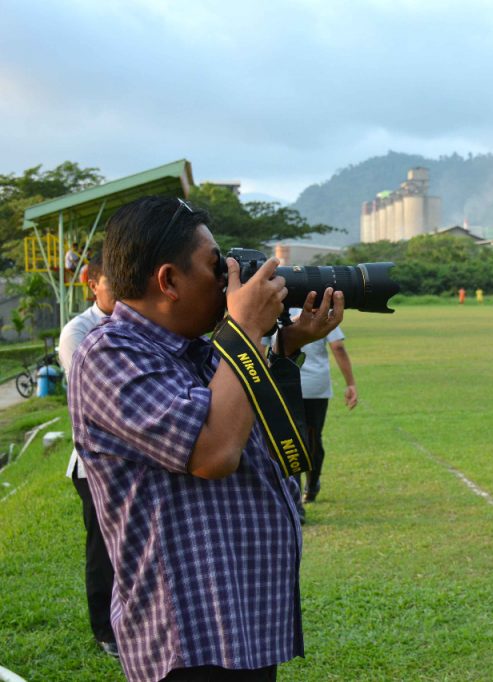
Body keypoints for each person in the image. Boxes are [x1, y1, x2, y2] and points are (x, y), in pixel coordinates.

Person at [68, 196, 343, 682]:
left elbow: (234, 406)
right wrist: (244, 326)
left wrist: (284, 344)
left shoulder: (199, 345)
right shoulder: (108, 354)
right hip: (188, 639)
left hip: (243, 619)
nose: (227, 282)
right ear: (168, 280)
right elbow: (213, 452)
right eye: (216, 268)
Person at [57, 250, 118, 659]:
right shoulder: (77, 331)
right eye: (114, 280)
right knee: (102, 547)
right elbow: (99, 391)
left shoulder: (143, 323)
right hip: (94, 462)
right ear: (92, 284)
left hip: (133, 460)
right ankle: (104, 631)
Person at [285, 308, 358, 505]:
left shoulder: (276, 309)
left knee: (289, 440)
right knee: (313, 437)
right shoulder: (322, 310)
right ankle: (312, 484)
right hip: (315, 385)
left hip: (285, 385)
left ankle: (295, 497)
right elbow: (338, 348)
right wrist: (350, 383)